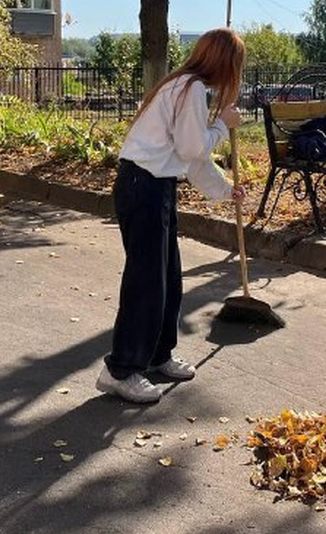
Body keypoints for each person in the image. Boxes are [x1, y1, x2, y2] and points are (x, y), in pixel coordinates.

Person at [96, 28, 246, 404]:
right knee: (147, 280)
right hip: (142, 185)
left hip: (155, 186)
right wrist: (222, 126)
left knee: (168, 277)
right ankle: (121, 369)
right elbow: (193, 146)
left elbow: (190, 159)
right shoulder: (190, 88)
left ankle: (158, 354)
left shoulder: (186, 86)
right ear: (225, 63)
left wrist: (226, 190)